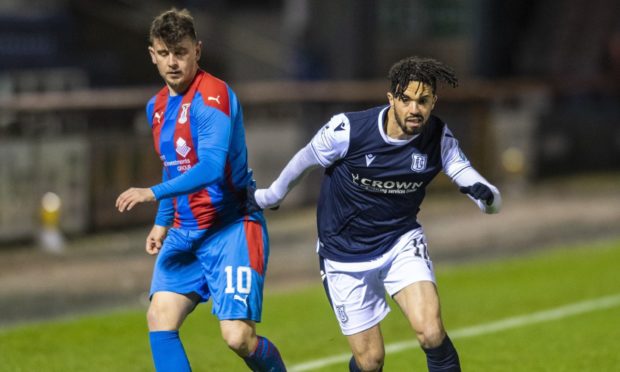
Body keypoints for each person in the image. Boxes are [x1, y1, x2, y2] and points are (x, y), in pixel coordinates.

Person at [250, 56, 502, 372]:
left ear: (434, 101)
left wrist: (488, 198)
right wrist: (271, 196)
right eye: (407, 100)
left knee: (431, 331)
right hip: (343, 254)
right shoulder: (348, 131)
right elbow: (305, 160)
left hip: (400, 242)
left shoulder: (438, 138)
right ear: (391, 98)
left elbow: (472, 180)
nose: (415, 109)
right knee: (370, 362)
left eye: (423, 101)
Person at [115, 8, 286, 372]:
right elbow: (172, 161)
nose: (173, 62)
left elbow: (209, 167)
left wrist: (153, 193)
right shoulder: (156, 107)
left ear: (198, 51)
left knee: (238, 337)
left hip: (231, 227)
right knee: (160, 317)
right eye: (164, 54)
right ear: (152, 55)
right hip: (185, 231)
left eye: (181, 52)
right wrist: (162, 221)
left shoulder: (213, 96)